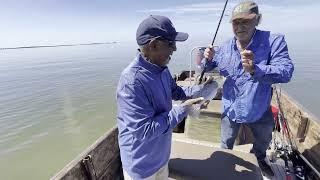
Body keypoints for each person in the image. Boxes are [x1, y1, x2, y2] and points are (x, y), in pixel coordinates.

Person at [201, 1, 294, 177]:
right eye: (236, 22)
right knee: (226, 142)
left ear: (257, 20)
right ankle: (225, 162)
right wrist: (207, 59)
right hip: (231, 109)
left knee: (264, 140)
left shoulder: (274, 41)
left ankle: (258, 158)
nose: (240, 26)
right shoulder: (226, 46)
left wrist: (255, 69)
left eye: (246, 21)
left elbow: (286, 72)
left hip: (259, 108)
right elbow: (209, 67)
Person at [116, 15, 207, 180]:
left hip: (162, 157)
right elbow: (145, 131)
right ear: (154, 45)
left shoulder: (162, 69)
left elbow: (177, 92)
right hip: (141, 166)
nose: (175, 49)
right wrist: (183, 109)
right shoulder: (131, 82)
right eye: (171, 43)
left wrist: (201, 92)